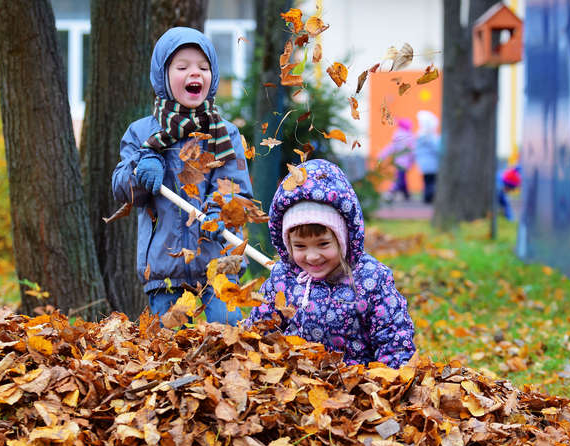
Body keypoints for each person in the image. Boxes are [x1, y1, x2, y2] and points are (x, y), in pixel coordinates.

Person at [111, 27, 252, 325]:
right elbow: (122, 189)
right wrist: (140, 170)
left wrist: (221, 212)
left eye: (203, 67)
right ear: (163, 75)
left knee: (225, 339)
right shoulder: (142, 133)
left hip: (219, 268)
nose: (195, 73)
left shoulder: (225, 133)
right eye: (183, 67)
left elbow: (236, 188)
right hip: (166, 272)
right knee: (171, 351)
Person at [247, 159, 416, 368]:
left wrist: (388, 383)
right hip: (295, 383)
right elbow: (259, 329)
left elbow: (393, 338)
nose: (312, 256)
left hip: (355, 385)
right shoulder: (283, 280)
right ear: (287, 244)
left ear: (343, 237)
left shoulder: (371, 280)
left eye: (323, 244)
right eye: (300, 246)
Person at [378, 117, 415, 201]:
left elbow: (391, 148)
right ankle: (392, 192)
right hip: (406, 162)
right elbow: (412, 152)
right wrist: (412, 161)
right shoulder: (411, 137)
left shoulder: (397, 135)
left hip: (398, 161)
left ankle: (405, 194)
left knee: (401, 178)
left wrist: (382, 155)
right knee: (400, 178)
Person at [414, 110, 440, 204]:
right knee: (431, 182)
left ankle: (427, 196)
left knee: (427, 181)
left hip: (423, 164)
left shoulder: (419, 136)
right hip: (432, 163)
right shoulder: (430, 137)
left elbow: (416, 150)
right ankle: (429, 197)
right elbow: (437, 148)